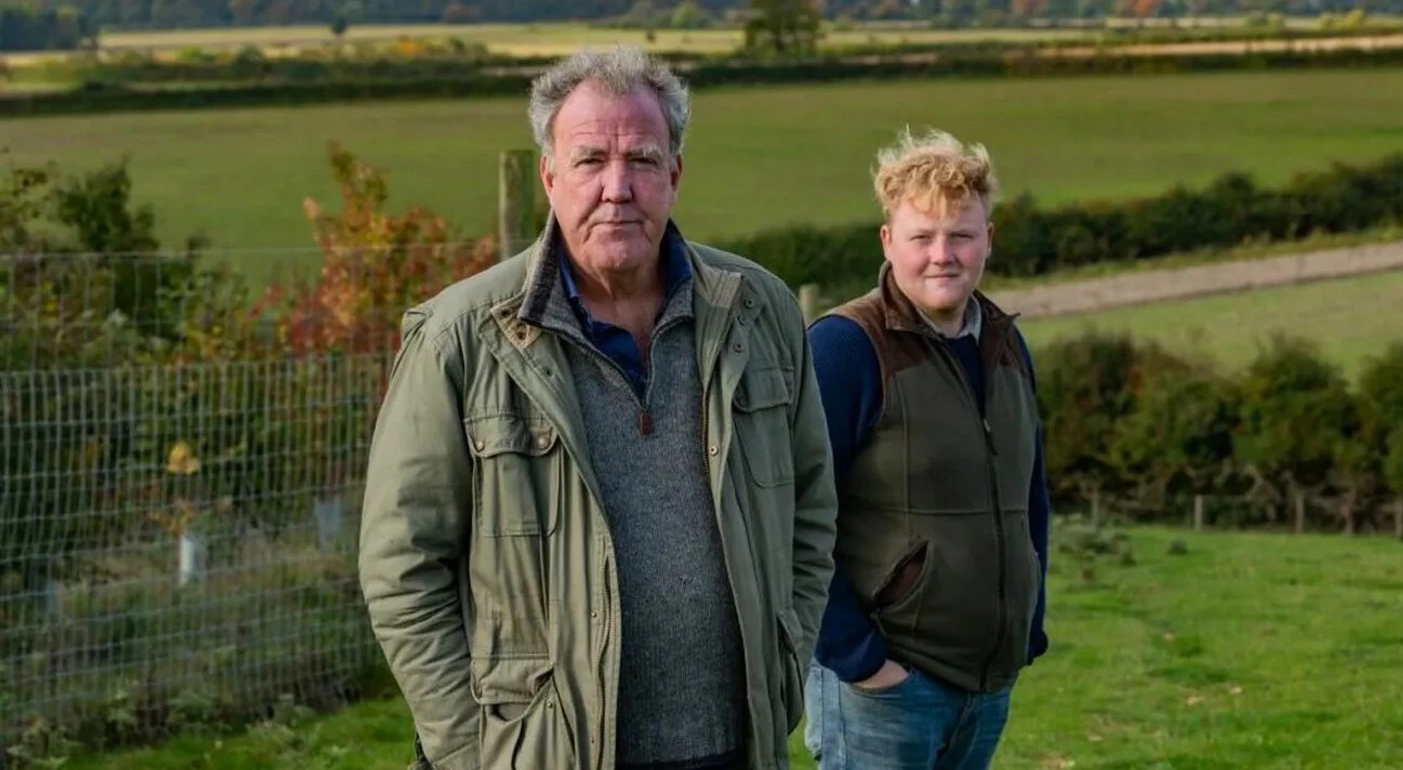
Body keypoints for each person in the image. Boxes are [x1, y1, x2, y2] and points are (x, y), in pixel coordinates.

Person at [357, 45, 838, 770]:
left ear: (675, 175)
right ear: (549, 177)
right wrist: (474, 749)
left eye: (642, 159)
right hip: (542, 755)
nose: (618, 188)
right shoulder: (462, 339)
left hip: (732, 746)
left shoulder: (758, 311)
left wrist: (785, 661)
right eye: (590, 161)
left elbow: (812, 507)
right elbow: (402, 566)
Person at [802, 128, 1051, 769]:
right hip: (883, 692)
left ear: (988, 239)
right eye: (922, 237)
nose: (942, 255)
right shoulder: (845, 348)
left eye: (961, 235)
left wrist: (1028, 624)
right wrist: (859, 659)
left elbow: (1030, 495)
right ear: (888, 241)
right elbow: (789, 515)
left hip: (986, 686)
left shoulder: (1005, 345)